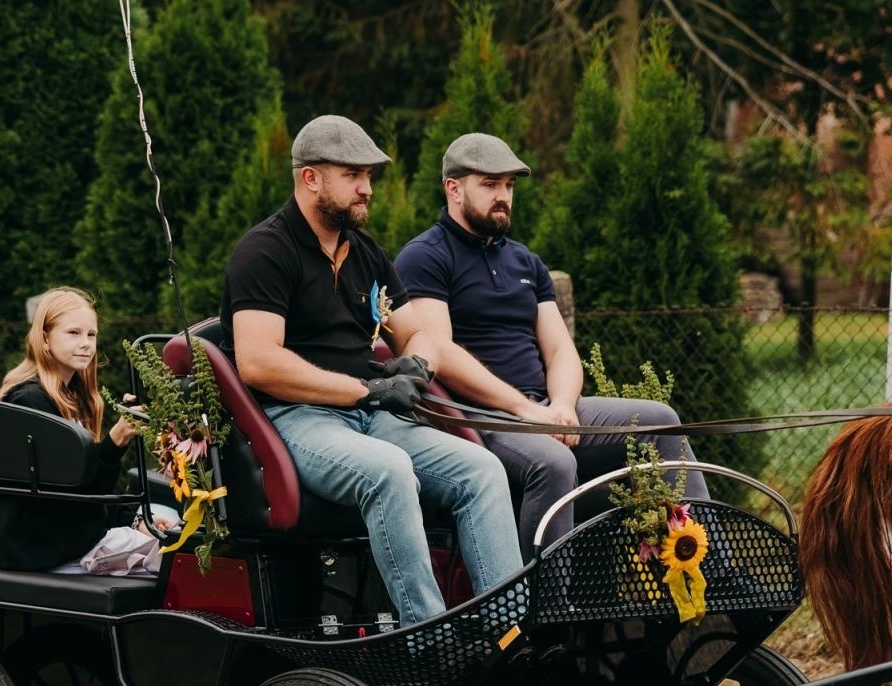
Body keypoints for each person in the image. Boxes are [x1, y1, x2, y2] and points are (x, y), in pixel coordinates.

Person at [220, 115, 522, 627]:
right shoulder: (263, 251)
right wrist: (368, 388)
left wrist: (417, 365)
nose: (368, 189)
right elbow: (258, 362)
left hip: (371, 415)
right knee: (389, 472)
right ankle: (426, 639)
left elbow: (419, 331)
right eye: (354, 176)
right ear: (310, 178)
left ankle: (510, 633)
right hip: (296, 419)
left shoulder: (365, 253)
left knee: (483, 469)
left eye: (370, 177)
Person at [394, 132, 709, 560]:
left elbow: (561, 350)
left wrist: (560, 406)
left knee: (660, 423)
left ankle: (711, 569)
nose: (503, 195)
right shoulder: (425, 257)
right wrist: (526, 412)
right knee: (554, 462)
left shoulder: (525, 262)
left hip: (542, 407)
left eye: (509, 185)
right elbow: (440, 354)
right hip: (479, 419)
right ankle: (542, 611)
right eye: (489, 185)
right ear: (453, 188)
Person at [0, 287, 175, 574]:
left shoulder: (72, 396)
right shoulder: (31, 401)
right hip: (40, 550)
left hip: (57, 538)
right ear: (45, 338)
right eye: (73, 333)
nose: (85, 343)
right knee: (175, 551)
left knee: (167, 519)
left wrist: (133, 520)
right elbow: (71, 498)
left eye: (91, 334)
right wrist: (116, 440)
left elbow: (86, 494)